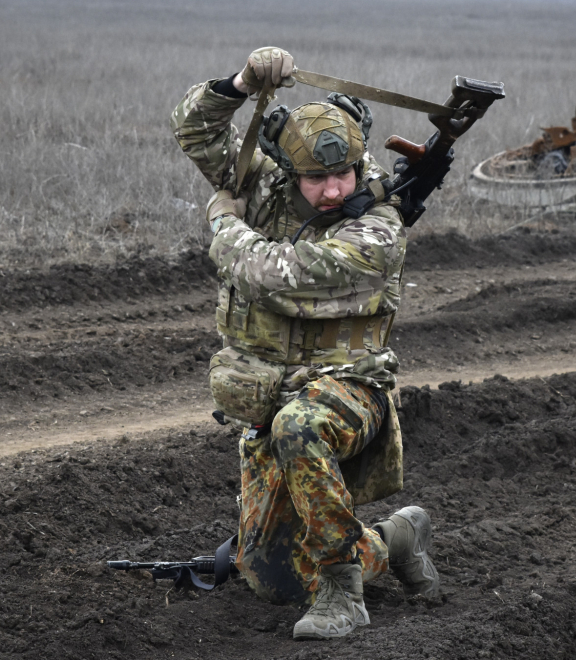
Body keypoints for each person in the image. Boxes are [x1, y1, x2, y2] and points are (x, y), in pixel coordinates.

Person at [170, 47, 438, 640]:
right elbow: (194, 126)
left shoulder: (377, 228)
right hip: (270, 397)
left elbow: (276, 276)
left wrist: (222, 222)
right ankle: (395, 540)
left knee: (300, 426)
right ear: (291, 173)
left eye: (345, 173)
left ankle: (344, 593)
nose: (335, 189)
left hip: (351, 392)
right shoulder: (265, 188)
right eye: (317, 178)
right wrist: (242, 81)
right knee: (271, 578)